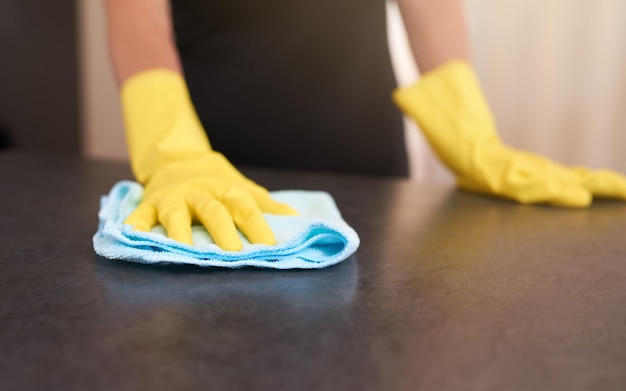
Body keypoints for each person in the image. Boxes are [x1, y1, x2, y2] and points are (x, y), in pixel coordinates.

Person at [104, 0, 626, 251]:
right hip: (213, 172)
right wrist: (174, 152)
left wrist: (471, 135)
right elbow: (137, 15)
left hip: (367, 162)